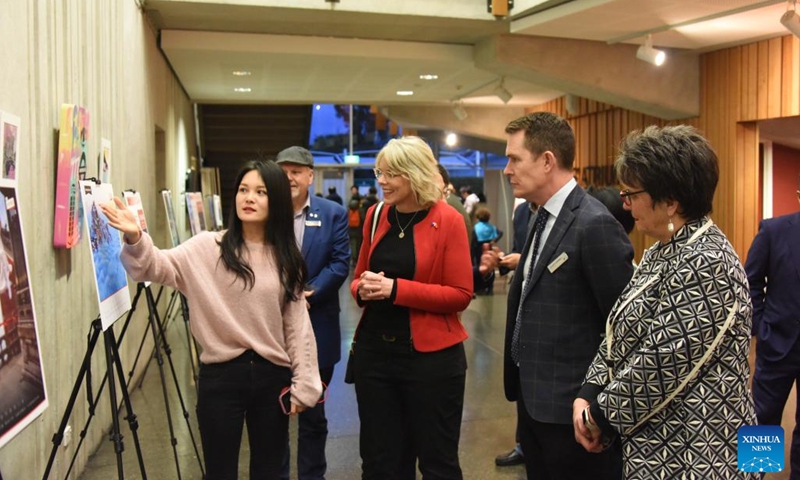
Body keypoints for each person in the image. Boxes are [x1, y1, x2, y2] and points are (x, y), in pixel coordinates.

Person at [101, 160, 322, 479]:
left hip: (272, 377)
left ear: (275, 199)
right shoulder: (207, 247)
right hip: (220, 378)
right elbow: (155, 266)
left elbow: (296, 327)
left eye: (260, 192)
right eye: (244, 190)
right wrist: (137, 237)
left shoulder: (286, 258)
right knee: (219, 472)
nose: (249, 198)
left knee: (270, 470)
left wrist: (305, 383)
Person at [575, 125, 759, 479]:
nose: (625, 203)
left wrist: (597, 415)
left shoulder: (708, 259)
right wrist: (590, 389)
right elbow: (619, 331)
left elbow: (663, 361)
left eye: (632, 193)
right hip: (665, 443)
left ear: (671, 201)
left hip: (701, 453)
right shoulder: (665, 249)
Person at [502, 112, 633, 480]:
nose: (507, 169)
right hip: (532, 403)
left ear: (547, 161)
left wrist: (598, 404)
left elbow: (622, 326)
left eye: (515, 158)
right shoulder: (536, 217)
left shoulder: (595, 224)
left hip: (574, 412)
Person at [349, 136, 473, 480]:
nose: (382, 181)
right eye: (380, 172)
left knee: (438, 463)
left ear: (415, 174)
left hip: (431, 362)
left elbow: (461, 293)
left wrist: (395, 289)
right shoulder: (375, 216)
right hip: (375, 358)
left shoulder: (448, 220)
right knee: (380, 463)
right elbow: (357, 278)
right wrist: (364, 288)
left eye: (392, 174)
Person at [275, 146, 350, 480]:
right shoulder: (265, 211)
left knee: (313, 416)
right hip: (270, 332)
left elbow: (339, 262)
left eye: (296, 171)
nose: (289, 177)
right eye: (283, 171)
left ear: (310, 176)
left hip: (318, 327)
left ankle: (312, 475)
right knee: (272, 416)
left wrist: (310, 293)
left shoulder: (332, 213)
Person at [746, 174, 800, 479]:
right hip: (776, 343)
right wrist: (760, 325)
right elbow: (750, 281)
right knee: (763, 420)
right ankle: (755, 474)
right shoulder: (774, 230)